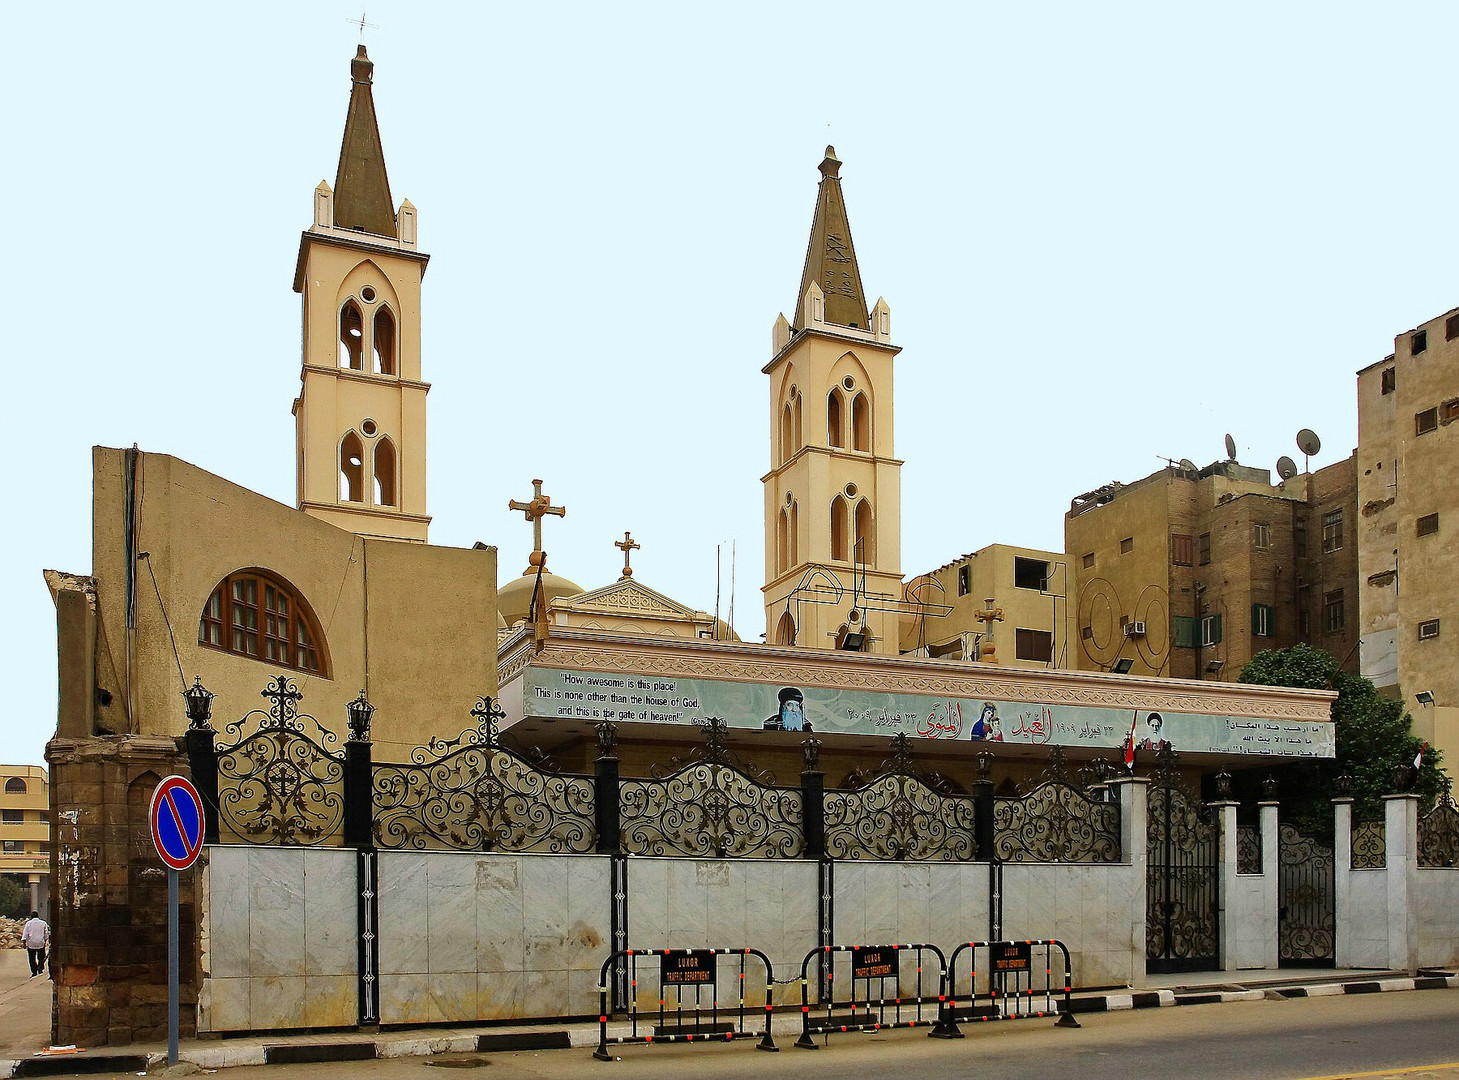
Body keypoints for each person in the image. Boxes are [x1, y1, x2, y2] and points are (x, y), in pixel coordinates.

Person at [21, 910, 49, 978]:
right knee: (41, 957)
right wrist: (45, 940)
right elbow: (46, 934)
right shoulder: (43, 923)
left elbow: (25, 934)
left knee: (31, 958)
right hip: (40, 943)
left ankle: (34, 971)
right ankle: (40, 967)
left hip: (31, 943)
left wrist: (24, 943)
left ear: (31, 917)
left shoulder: (28, 923)